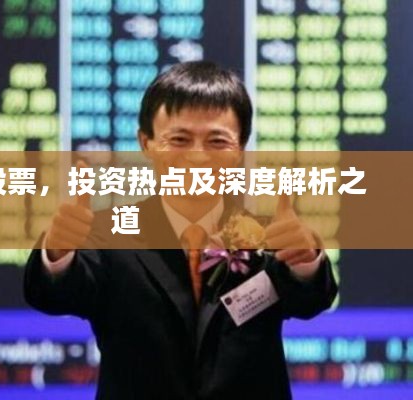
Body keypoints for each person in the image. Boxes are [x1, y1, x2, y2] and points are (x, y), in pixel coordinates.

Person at [24, 61, 338, 399]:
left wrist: (306, 262)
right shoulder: (108, 233)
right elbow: (55, 295)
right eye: (179, 139)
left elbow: (310, 300)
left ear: (240, 149)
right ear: (146, 143)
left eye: (217, 141)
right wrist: (56, 253)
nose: (198, 157)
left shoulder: (269, 236)